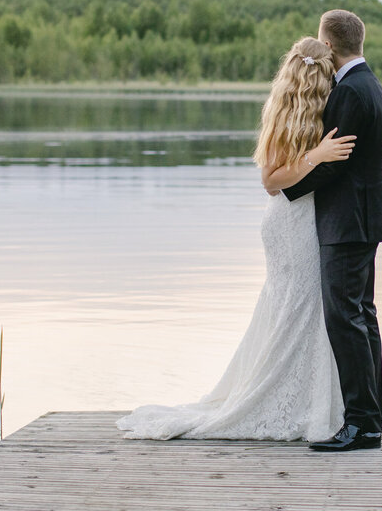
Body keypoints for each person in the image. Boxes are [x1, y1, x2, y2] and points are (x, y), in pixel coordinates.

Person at [115, 36, 354, 441]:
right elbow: (271, 181)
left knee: (301, 308)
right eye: (323, 76)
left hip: (306, 219)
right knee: (294, 305)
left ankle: (307, 398)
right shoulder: (282, 116)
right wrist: (316, 155)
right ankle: (277, 398)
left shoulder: (325, 112)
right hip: (289, 222)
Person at [282, 9, 382, 452]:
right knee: (362, 316)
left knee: (344, 319)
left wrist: (287, 189)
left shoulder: (348, 92)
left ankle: (361, 425)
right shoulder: (372, 85)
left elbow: (333, 162)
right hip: (366, 217)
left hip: (347, 221)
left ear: (328, 46)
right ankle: (370, 418)